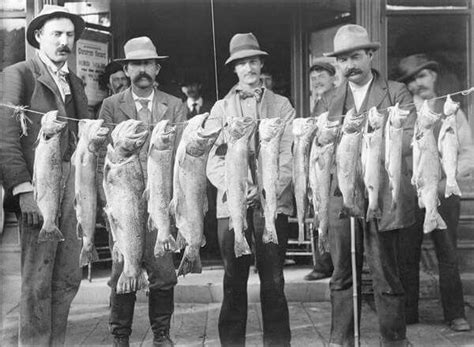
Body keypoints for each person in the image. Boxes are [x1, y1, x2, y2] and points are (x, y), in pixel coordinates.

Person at [322, 24, 417, 346]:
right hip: (342, 196)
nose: (349, 64)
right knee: (342, 275)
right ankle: (341, 340)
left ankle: (393, 340)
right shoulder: (329, 99)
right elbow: (322, 150)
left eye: (356, 56)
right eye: (342, 59)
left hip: (383, 195)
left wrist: (365, 144)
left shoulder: (396, 92)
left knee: (385, 273)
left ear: (370, 55)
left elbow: (408, 140)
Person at [0, 5, 90, 346]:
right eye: (56, 34)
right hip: (39, 189)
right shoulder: (18, 74)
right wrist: (22, 189)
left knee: (67, 278)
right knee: (37, 282)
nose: (64, 41)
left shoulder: (75, 82)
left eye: (69, 35)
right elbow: (5, 138)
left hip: (72, 189)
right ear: (39, 36)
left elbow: (83, 136)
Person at [206, 32, 295, 347]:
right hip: (231, 206)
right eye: (242, 63)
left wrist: (265, 189)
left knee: (273, 280)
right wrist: (235, 187)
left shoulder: (282, 106)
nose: (249, 68)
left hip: (272, 206)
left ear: (261, 64)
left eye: (254, 60)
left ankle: (277, 343)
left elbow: (288, 155)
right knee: (233, 280)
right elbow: (212, 160)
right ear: (234, 69)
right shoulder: (220, 109)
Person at [98, 36, 187, 347]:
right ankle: (120, 336)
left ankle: (161, 334)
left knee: (163, 271)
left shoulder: (175, 106)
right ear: (126, 68)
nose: (142, 70)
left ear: (157, 68)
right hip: (124, 202)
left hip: (160, 200)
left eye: (147, 63)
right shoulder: (110, 106)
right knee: (123, 268)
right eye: (135, 64)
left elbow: (182, 158)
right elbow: (101, 157)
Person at [396, 53, 474, 331]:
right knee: (407, 255)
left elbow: (467, 154)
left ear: (434, 75)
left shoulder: (451, 109)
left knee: (448, 254)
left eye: (422, 76)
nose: (418, 84)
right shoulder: (402, 113)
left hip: (444, 194)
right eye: (411, 80)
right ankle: (408, 314)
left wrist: (446, 181)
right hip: (410, 194)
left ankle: (455, 314)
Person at [304, 57, 337, 281]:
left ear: (333, 77)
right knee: (318, 210)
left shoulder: (337, 97)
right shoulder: (317, 101)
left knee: (329, 212)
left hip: (332, 165)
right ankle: (323, 263)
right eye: (313, 78)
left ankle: (328, 265)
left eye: (321, 76)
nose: (317, 81)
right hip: (316, 164)